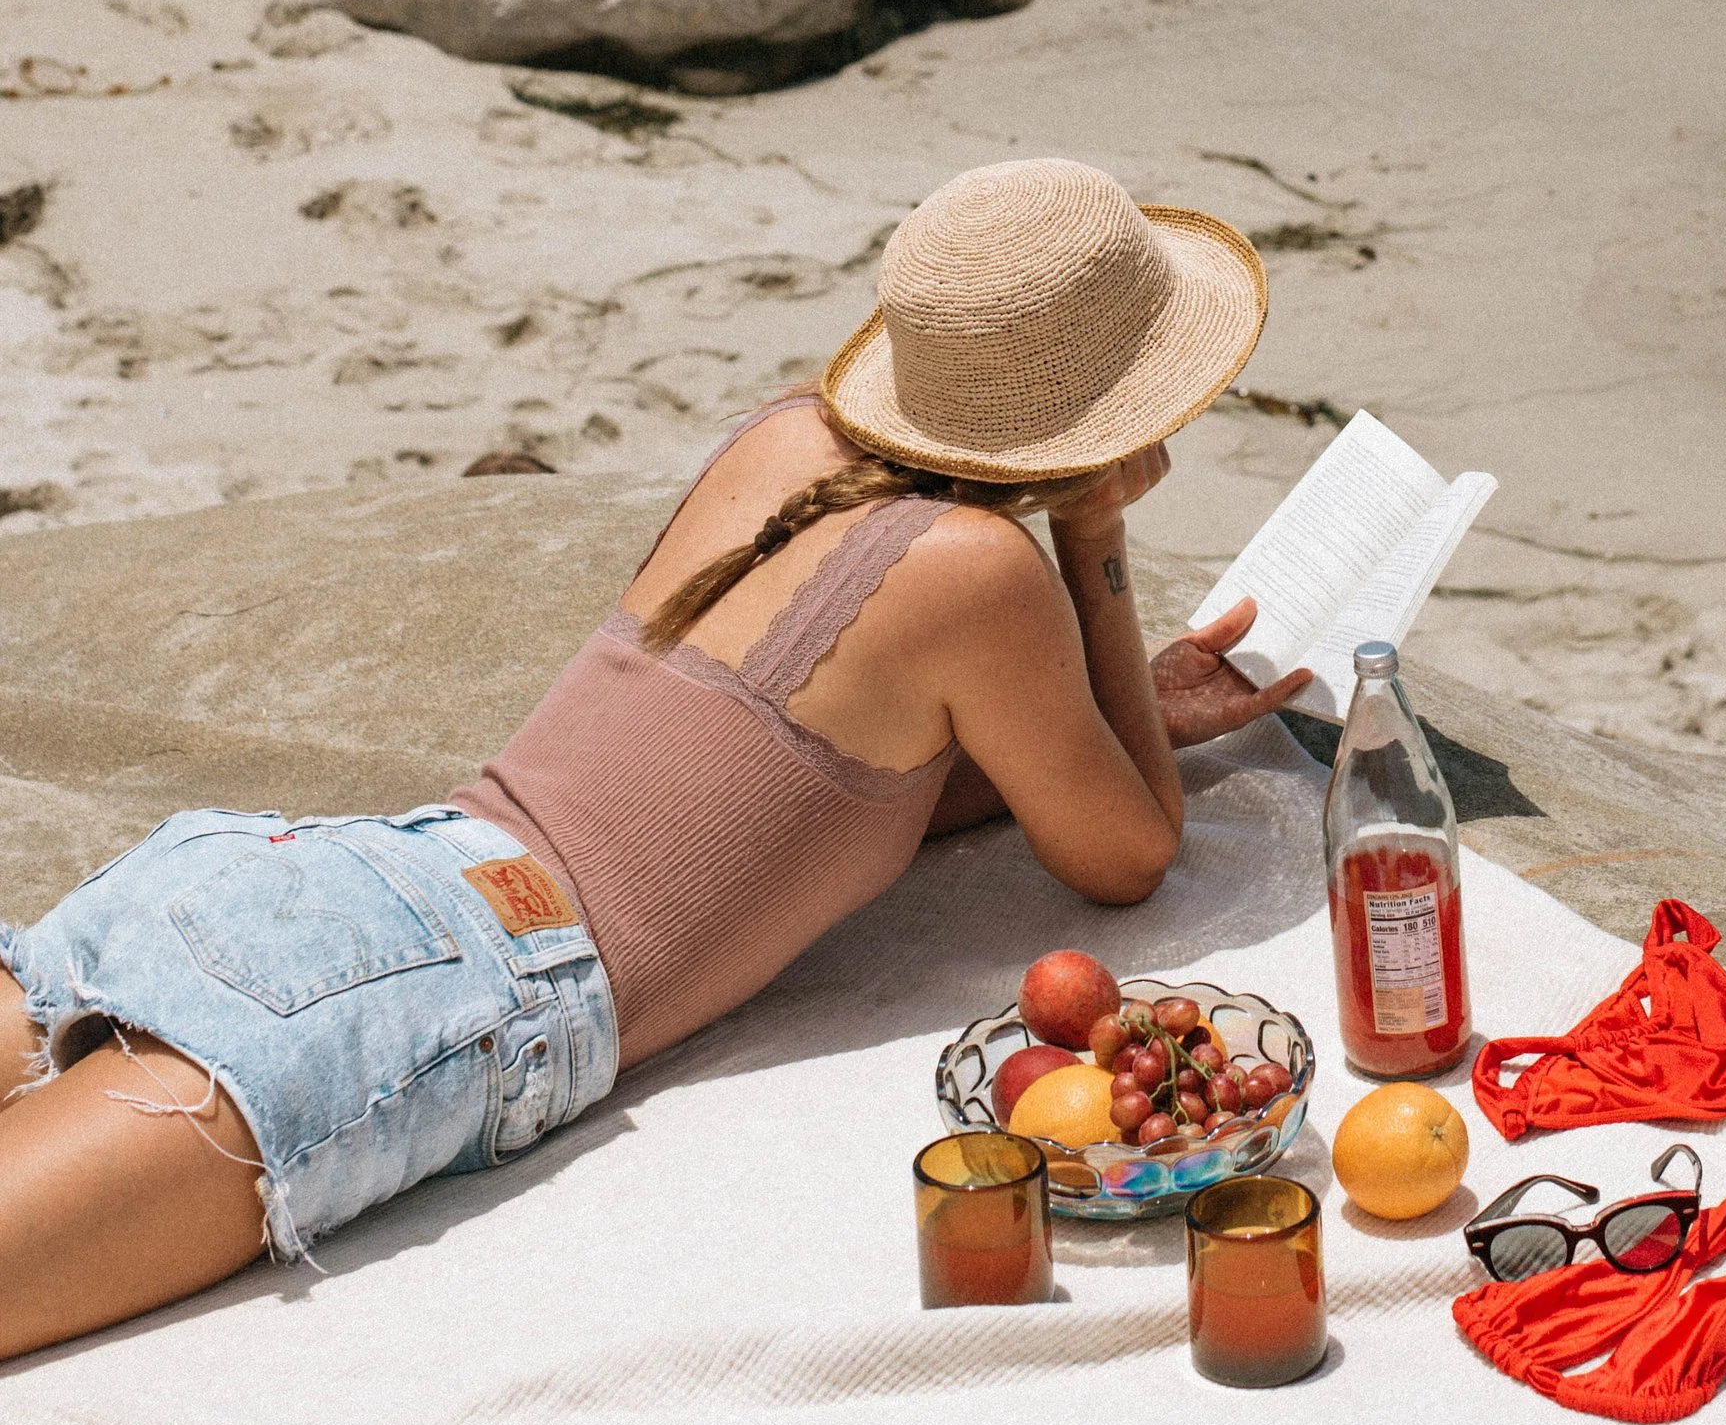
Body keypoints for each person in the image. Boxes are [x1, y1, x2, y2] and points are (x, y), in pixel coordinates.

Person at [0, 155, 1308, 1361]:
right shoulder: (981, 574)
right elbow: (1130, 855)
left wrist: (1110, 703)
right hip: (459, 987)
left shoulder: (784, 439)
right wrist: (1093, 534)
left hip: (340, 869)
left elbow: (818, 780)